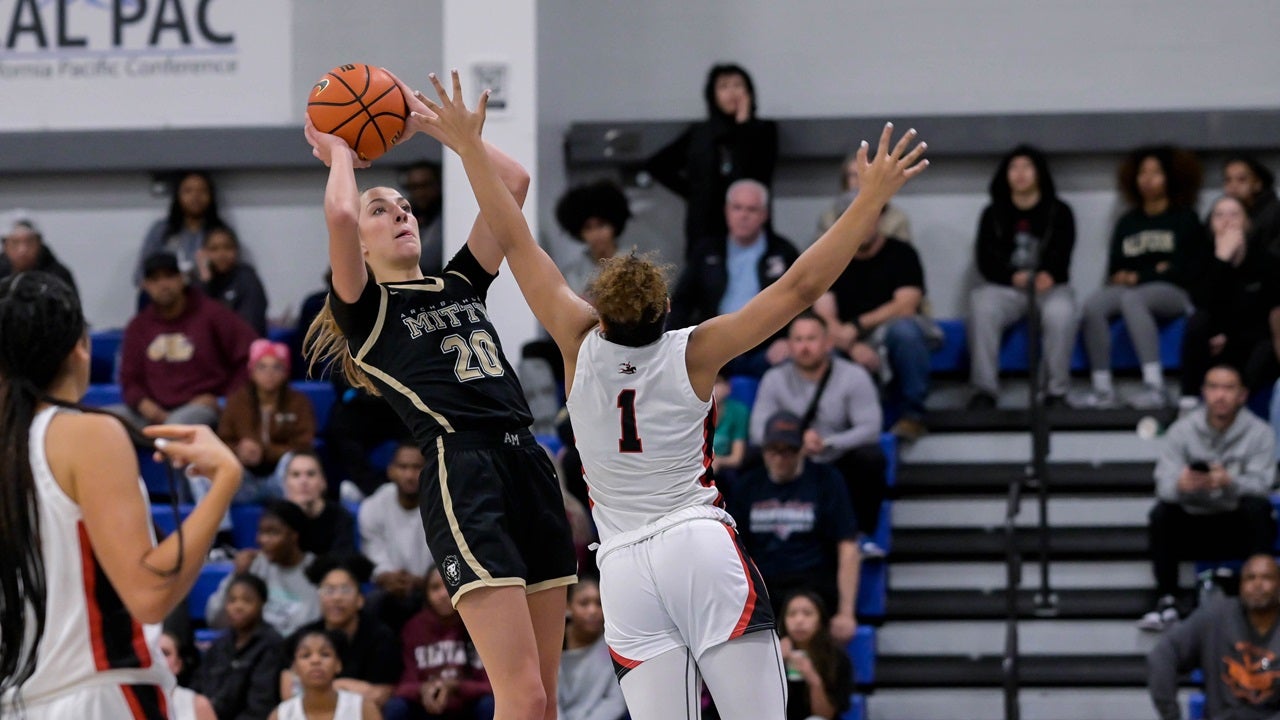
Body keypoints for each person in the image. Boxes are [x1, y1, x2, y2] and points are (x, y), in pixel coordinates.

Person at [405, 71, 924, 719]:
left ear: (600, 309)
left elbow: (512, 238)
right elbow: (798, 287)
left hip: (621, 566)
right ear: (668, 308)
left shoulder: (575, 336)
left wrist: (468, 147)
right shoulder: (695, 350)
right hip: (696, 545)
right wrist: (868, 199)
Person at [302, 69, 578, 720]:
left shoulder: (458, 282)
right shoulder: (366, 311)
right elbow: (340, 210)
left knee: (548, 698)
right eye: (382, 210)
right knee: (522, 694)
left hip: (529, 463)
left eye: (404, 206)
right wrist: (343, 149)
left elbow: (511, 185)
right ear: (360, 249)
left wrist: (429, 123)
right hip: (465, 472)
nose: (399, 213)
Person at [0, 270, 242, 718]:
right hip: (97, 694)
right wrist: (223, 481)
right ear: (81, 347)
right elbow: (149, 594)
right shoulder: (86, 433)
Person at [1141, 365, 1277, 631]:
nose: (1220, 395)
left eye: (1228, 388)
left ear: (1242, 395)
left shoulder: (1260, 432)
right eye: (1214, 387)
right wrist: (1182, 485)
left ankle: (1260, 596)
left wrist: (1230, 482)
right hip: (1193, 522)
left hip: (1235, 522)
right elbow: (1163, 485)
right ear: (1204, 393)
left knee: (1259, 510)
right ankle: (1167, 599)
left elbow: (1264, 485)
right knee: (1161, 513)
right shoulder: (1182, 431)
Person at [1072, 145, 1207, 410]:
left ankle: (1155, 387)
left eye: (1155, 172)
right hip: (1133, 288)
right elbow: (1116, 266)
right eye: (1143, 172)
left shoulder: (1185, 218)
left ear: (1170, 177)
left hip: (1175, 292)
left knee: (1134, 298)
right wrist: (1137, 273)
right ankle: (1102, 389)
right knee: (1094, 305)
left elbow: (1183, 268)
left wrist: (1141, 275)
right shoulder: (1128, 222)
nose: (1148, 178)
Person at [750, 312, 888, 556]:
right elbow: (757, 430)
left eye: (812, 339)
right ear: (789, 345)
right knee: (749, 457)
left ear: (828, 343)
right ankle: (748, 540)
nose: (805, 347)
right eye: (799, 340)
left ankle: (860, 536)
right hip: (790, 456)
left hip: (835, 456)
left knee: (871, 457)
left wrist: (828, 443)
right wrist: (792, 443)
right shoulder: (774, 378)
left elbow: (870, 428)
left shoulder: (853, 376)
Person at [964, 145, 1078, 410]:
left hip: (1048, 287)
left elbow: (1064, 253)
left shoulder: (1060, 211)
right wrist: (1013, 277)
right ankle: (984, 390)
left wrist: (1048, 274)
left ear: (1039, 173)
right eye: (1014, 168)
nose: (1020, 174)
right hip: (1007, 287)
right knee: (981, 304)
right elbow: (985, 260)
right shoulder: (992, 213)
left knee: (1061, 312)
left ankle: (1056, 392)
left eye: (1027, 167)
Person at [730, 412, 860, 642]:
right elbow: (733, 549)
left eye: (788, 451)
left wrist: (846, 612)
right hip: (764, 584)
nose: (780, 458)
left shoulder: (826, 481)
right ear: (763, 450)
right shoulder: (747, 486)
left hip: (812, 581)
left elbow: (848, 546)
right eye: (773, 450)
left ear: (801, 449)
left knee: (803, 614)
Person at [813, 223, 939, 441]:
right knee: (820, 345)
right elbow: (823, 316)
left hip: (888, 332)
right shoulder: (830, 258)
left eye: (867, 217)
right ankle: (832, 428)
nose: (861, 226)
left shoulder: (902, 253)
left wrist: (858, 325)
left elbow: (906, 305)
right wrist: (852, 346)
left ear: (879, 218)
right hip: (847, 341)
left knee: (905, 331)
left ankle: (913, 415)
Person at [113, 251, 259, 430]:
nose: (163, 284)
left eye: (169, 276)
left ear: (182, 279)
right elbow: (129, 379)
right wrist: (144, 404)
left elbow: (252, 355)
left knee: (176, 426)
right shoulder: (138, 326)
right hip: (152, 411)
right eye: (155, 279)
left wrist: (225, 400)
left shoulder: (212, 314)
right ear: (145, 286)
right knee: (104, 422)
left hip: (200, 408)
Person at [670, 178, 800, 376]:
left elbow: (802, 300)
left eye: (751, 209)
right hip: (715, 347)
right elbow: (681, 302)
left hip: (768, 349)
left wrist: (790, 339)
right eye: (737, 208)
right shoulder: (706, 252)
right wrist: (677, 345)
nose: (743, 215)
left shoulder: (783, 252)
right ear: (726, 211)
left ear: (764, 214)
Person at [644, 62, 777, 255]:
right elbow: (657, 165)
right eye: (723, 86)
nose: (732, 92)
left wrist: (743, 126)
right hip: (706, 226)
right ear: (713, 94)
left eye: (738, 85)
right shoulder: (701, 133)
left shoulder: (764, 130)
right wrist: (693, 192)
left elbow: (760, 171)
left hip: (749, 225)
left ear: (749, 92)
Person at [1147, 554, 1280, 719]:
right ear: (1240, 585)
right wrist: (1170, 714)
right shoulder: (1215, 617)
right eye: (1250, 578)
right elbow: (1163, 655)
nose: (1257, 585)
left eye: (1267, 578)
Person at [1179, 195, 1280, 405]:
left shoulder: (1265, 262)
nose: (1227, 221)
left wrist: (1230, 335)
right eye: (1219, 215)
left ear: (1247, 222)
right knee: (1197, 322)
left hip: (1250, 344)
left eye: (1234, 214)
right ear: (1210, 224)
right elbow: (1201, 304)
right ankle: (1188, 401)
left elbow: (1267, 317)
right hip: (1213, 343)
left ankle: (1238, 401)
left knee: (1266, 345)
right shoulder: (1201, 261)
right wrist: (1222, 259)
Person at [281, 556, 400, 710]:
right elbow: (290, 691)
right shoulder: (303, 636)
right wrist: (343, 687)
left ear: (360, 599)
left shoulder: (380, 637)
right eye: (329, 590)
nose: (337, 598)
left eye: (345, 590)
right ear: (320, 597)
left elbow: (380, 694)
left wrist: (324, 688)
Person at [386, 569, 495, 720]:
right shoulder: (414, 627)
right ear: (426, 593)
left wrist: (455, 686)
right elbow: (404, 685)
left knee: (489, 704)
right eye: (435, 588)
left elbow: (491, 686)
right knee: (397, 707)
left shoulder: (478, 623)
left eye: (448, 585)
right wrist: (423, 690)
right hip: (428, 708)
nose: (443, 594)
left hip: (468, 707)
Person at [218, 339, 318, 502]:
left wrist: (264, 451)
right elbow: (222, 441)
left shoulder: (299, 402)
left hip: (282, 478)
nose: (269, 373)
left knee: (295, 461)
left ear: (286, 371)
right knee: (202, 468)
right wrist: (238, 451)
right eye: (262, 367)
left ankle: (297, 521)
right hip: (245, 479)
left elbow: (304, 446)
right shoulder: (237, 402)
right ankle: (222, 527)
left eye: (277, 367)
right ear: (251, 370)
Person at [208, 500, 321, 637]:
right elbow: (215, 620)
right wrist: (237, 576)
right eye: (261, 532)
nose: (262, 540)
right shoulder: (254, 566)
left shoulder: (317, 570)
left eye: (272, 533)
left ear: (294, 536)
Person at [358, 442, 434, 632]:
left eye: (417, 467)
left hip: (429, 586)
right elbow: (373, 553)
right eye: (403, 467)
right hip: (388, 588)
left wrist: (424, 581)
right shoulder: (373, 506)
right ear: (391, 470)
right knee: (374, 603)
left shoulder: (441, 506)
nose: (409, 475)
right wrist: (388, 576)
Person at [194, 572, 285, 719]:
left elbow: (261, 705)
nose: (238, 606)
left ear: (262, 602)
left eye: (247, 600)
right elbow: (198, 688)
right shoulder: (219, 645)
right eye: (232, 600)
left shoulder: (272, 645)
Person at [135, 170, 228, 284]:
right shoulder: (161, 230)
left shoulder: (220, 231)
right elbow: (141, 274)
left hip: (208, 294)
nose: (196, 196)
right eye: (188, 191)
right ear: (178, 196)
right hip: (168, 295)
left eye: (202, 191)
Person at [556, 576, 626, 720]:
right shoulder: (553, 644)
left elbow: (615, 702)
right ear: (568, 607)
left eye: (599, 603)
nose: (593, 610)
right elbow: (548, 698)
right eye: (584, 603)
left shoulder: (615, 646)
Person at [272, 629, 381, 720]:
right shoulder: (281, 715)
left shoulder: (363, 708)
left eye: (325, 654)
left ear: (338, 664)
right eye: (305, 655)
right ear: (294, 668)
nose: (315, 660)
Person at [777, 590, 854, 720]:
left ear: (820, 621)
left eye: (807, 614)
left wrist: (814, 680)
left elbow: (825, 715)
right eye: (792, 614)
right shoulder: (771, 655)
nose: (799, 620)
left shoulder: (836, 658)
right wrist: (775, 661)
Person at [554, 179, 632, 297]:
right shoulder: (572, 276)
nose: (596, 234)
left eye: (602, 225)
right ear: (579, 232)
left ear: (614, 225)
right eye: (588, 227)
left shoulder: (636, 268)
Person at [815, 150, 912, 243]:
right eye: (853, 175)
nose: (859, 180)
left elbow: (904, 255)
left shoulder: (897, 219)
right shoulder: (829, 219)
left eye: (865, 174)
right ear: (845, 181)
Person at [195, 223, 270, 336]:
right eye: (214, 249)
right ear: (204, 253)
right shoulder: (199, 282)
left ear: (236, 250)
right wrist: (205, 280)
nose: (221, 254)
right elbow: (195, 324)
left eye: (227, 247)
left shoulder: (247, 279)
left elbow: (251, 326)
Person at [284, 451, 357, 557]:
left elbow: (342, 561)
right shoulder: (277, 518)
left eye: (311, 474)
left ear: (323, 482)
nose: (303, 481)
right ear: (286, 484)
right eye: (296, 475)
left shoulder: (340, 517)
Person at [0, 214, 78, 293]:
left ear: (39, 243)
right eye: (15, 242)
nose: (23, 250)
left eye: (29, 242)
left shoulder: (59, 276)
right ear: (5, 246)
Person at [1222, 154, 1280, 255]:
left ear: (1257, 183)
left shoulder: (1274, 214)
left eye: (1241, 179)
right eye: (1228, 180)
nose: (1233, 185)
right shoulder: (1221, 211)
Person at [158, 631, 217, 720]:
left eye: (165, 653)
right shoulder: (131, 700)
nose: (159, 658)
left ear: (178, 664)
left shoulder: (198, 705)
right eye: (154, 653)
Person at [400, 160, 444, 276]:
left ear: (437, 185)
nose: (420, 192)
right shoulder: (402, 217)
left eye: (425, 185)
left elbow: (429, 261)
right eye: (414, 187)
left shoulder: (449, 217)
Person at [711, 371, 749, 483]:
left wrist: (718, 461)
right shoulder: (690, 412)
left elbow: (736, 458)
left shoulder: (739, 411)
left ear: (728, 387)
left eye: (717, 382)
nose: (711, 387)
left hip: (722, 470)